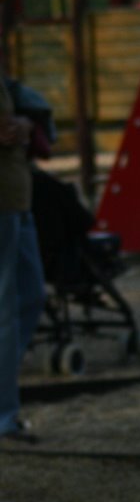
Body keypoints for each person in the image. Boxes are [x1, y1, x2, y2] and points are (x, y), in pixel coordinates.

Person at [0, 75, 47, 444]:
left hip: (18, 198)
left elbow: (24, 103)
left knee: (31, 296)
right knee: (5, 311)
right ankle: (5, 417)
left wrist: (25, 124)